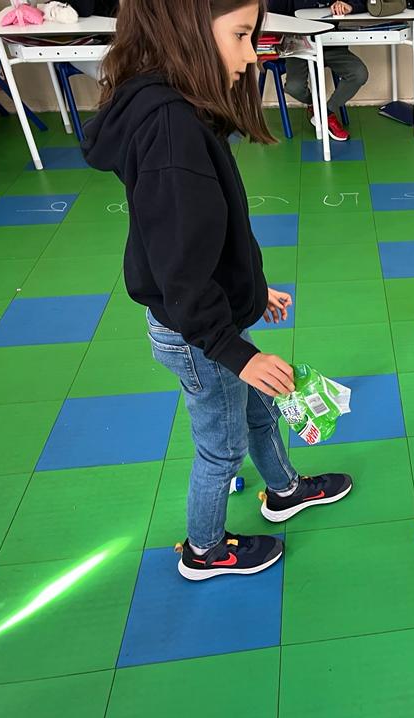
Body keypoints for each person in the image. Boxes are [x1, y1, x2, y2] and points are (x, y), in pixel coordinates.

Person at [82, 0, 352, 581]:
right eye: (240, 35)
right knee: (220, 447)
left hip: (210, 319)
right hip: (196, 334)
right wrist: (235, 350)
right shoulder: (171, 131)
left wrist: (252, 293)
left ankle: (285, 490)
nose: (251, 55)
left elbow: (203, 240)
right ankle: (205, 550)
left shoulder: (181, 108)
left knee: (261, 408)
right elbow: (179, 272)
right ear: (187, 31)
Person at [267, 0, 368, 141]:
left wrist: (350, 7)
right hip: (300, 45)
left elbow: (365, 3)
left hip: (331, 44)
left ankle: (326, 113)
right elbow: (272, 13)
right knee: (294, 88)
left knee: (359, 73)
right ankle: (315, 106)